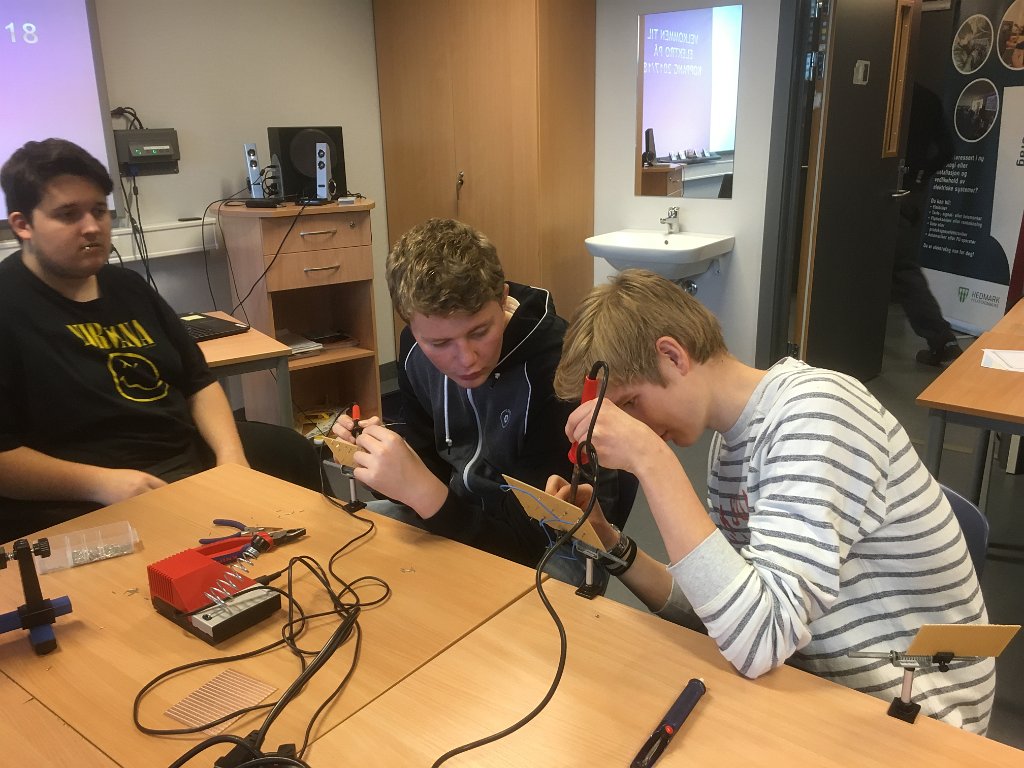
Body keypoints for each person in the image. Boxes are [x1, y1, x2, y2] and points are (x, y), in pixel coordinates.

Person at [547, 269, 994, 733]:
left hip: (919, 719)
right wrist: (610, 542)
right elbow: (729, 613)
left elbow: (759, 639)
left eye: (630, 404)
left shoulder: (817, 414)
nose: (632, 427)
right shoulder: (729, 449)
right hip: (813, 687)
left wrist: (650, 459)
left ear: (672, 356)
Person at [0, 138, 320, 542]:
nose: (92, 226)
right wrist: (102, 484)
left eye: (99, 210)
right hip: (85, 493)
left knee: (288, 450)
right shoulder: (8, 305)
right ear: (22, 224)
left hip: (180, 457)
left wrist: (230, 457)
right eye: (68, 214)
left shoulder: (127, 287)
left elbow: (198, 381)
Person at [332, 218, 625, 583]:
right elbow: (430, 465)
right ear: (411, 326)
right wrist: (380, 465)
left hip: (552, 543)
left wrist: (425, 494)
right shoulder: (414, 351)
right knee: (347, 540)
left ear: (502, 298)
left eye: (480, 331)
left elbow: (527, 544)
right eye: (439, 343)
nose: (467, 359)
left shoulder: (557, 368)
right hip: (459, 512)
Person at [893, 83, 962, 367]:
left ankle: (942, 339)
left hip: (872, 187)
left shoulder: (885, 94)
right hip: (910, 191)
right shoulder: (928, 97)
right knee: (904, 269)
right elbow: (948, 151)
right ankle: (942, 340)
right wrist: (920, 175)